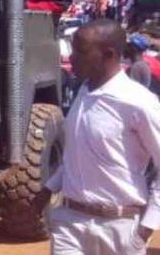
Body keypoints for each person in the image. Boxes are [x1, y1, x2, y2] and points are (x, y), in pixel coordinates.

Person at [33, 19, 160, 254]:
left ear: (108, 54)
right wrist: (49, 188)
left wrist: (147, 226)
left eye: (80, 52)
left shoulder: (138, 103)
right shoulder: (83, 92)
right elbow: (79, 154)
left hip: (119, 229)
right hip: (70, 223)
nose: (72, 58)